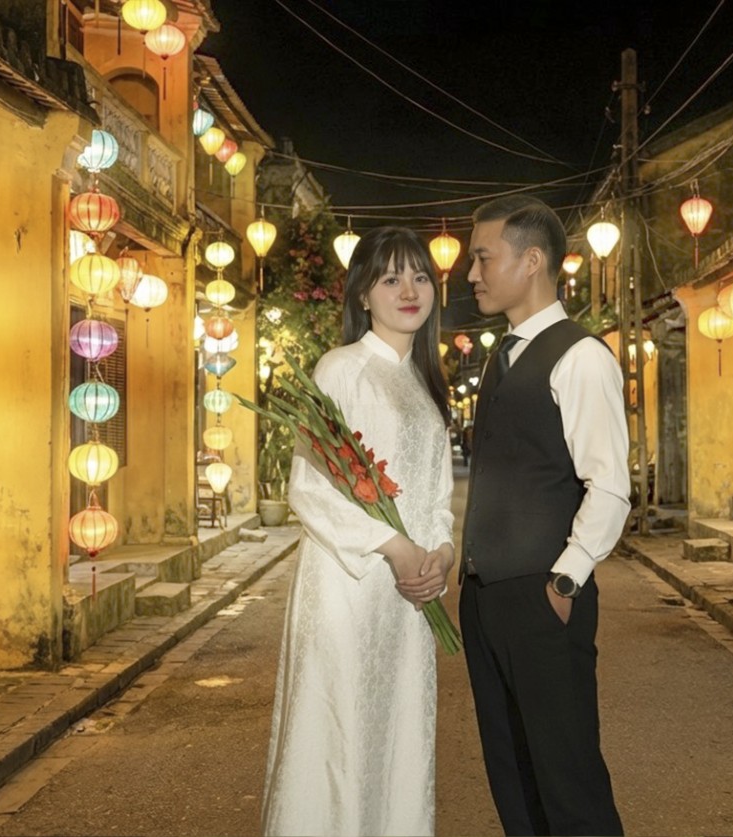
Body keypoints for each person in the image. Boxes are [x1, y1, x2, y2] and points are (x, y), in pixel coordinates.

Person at [261, 226, 457, 837]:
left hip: (410, 597)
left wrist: (442, 553)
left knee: (397, 736)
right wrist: (394, 546)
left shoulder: (424, 382)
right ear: (363, 295)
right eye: (391, 278)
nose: (409, 291)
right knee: (337, 736)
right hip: (348, 586)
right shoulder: (341, 369)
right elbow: (309, 487)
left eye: (420, 277)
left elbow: (437, 497)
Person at [460, 195, 630, 836]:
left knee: (568, 778)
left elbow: (609, 486)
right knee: (513, 773)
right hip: (485, 596)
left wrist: (565, 580)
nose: (472, 274)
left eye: (483, 258)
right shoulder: (502, 355)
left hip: (544, 594)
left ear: (531, 261)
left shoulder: (580, 356)